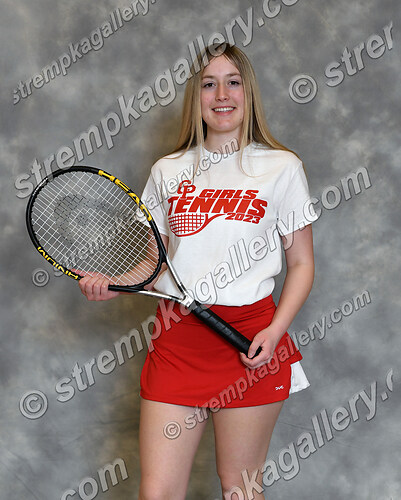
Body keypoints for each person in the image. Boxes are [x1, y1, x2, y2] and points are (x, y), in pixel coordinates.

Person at [78, 43, 318, 500]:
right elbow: (155, 263)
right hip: (177, 341)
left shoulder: (282, 168)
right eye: (209, 84)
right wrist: (115, 284)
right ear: (196, 96)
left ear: (249, 93)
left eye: (233, 82)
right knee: (158, 492)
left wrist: (275, 331)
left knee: (239, 490)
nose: (221, 95)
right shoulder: (168, 170)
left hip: (250, 340)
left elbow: (302, 264)